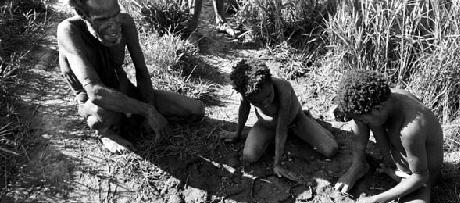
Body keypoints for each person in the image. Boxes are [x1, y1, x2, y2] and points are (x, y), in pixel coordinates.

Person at [58, 0, 205, 153]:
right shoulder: (69, 31)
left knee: (196, 109)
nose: (114, 25)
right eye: (103, 19)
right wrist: (147, 110)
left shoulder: (125, 21)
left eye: (115, 15)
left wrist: (150, 105)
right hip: (98, 106)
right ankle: (105, 132)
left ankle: (131, 119)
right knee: (102, 111)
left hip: (126, 93)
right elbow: (95, 93)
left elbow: (141, 70)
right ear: (83, 14)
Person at [333, 70, 443, 203]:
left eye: (365, 120)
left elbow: (421, 176)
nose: (363, 123)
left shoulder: (410, 129)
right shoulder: (383, 102)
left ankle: (397, 182)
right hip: (393, 157)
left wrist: (377, 200)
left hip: (416, 178)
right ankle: (358, 165)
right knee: (358, 115)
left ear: (377, 109)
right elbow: (361, 115)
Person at [222, 59, 338, 180]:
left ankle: (307, 117)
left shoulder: (283, 88)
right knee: (249, 156)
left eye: (268, 96)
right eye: (258, 102)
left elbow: (282, 128)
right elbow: (244, 110)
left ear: (271, 82)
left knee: (331, 149)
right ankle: (268, 137)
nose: (265, 104)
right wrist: (237, 133)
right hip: (266, 125)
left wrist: (277, 164)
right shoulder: (246, 91)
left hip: (294, 120)